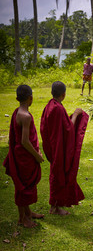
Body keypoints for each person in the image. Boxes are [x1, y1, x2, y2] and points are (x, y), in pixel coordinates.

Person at [40, 81, 89, 215]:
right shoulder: (58, 108)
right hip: (59, 149)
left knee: (56, 174)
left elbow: (46, 127)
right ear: (64, 94)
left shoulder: (49, 105)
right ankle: (55, 208)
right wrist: (76, 115)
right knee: (59, 176)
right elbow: (68, 129)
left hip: (53, 146)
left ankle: (55, 205)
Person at [3, 85, 44, 228]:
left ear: (16, 98)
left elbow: (11, 138)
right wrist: (37, 156)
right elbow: (25, 141)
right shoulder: (25, 116)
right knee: (23, 187)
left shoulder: (16, 112)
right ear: (31, 98)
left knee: (24, 184)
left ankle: (28, 212)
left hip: (19, 155)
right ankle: (22, 219)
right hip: (24, 158)